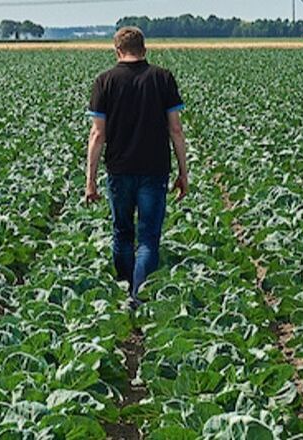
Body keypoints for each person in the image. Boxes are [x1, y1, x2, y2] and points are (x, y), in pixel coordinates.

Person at [82, 26, 191, 307]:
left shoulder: (104, 81)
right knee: (148, 238)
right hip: (155, 169)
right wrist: (183, 172)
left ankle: (127, 289)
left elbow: (97, 135)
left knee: (122, 233)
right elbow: (176, 130)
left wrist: (90, 180)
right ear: (144, 49)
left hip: (119, 169)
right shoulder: (162, 78)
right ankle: (138, 297)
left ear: (117, 51)